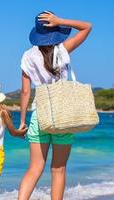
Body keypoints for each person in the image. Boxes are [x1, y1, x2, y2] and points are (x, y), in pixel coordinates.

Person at [17, 11, 92, 200]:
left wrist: (22, 121)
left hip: (38, 114)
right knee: (58, 169)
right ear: (55, 30)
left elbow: (25, 92)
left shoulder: (27, 56)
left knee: (34, 169)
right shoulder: (63, 49)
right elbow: (87, 27)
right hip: (63, 113)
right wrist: (60, 20)